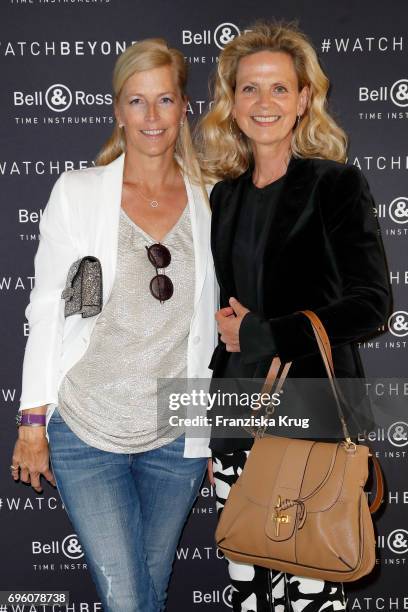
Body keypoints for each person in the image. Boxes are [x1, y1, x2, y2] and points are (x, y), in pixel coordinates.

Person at [11, 38, 218, 612]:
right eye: (136, 101)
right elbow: (47, 309)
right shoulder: (78, 193)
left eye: (165, 100)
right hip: (85, 426)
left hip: (176, 432)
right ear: (117, 109)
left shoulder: (211, 199)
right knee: (129, 599)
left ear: (183, 108)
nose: (151, 117)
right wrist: (32, 421)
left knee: (150, 589)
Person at [198, 21, 391, 612]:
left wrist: (261, 333)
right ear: (232, 102)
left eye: (280, 89)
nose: (265, 104)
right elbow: (226, 316)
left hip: (312, 418)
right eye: (250, 89)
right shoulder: (223, 195)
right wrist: (213, 432)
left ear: (305, 98)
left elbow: (372, 305)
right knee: (248, 591)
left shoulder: (335, 185)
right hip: (238, 417)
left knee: (310, 591)